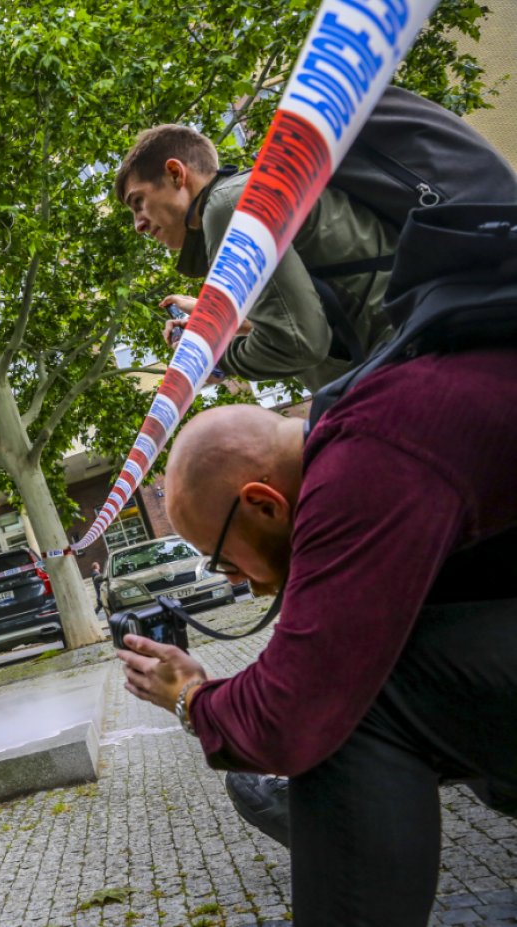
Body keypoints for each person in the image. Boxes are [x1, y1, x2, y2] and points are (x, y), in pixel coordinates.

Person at [116, 347, 517, 927]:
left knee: (351, 705)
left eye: (224, 560)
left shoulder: (358, 467)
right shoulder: (372, 420)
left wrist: (191, 697)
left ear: (263, 503)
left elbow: (291, 709)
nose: (240, 583)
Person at [116, 124, 396, 391]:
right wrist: (225, 325)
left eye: (138, 202)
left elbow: (297, 343)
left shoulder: (225, 208)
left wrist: (211, 358)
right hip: (407, 347)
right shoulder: (245, 193)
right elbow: (308, 311)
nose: (138, 226)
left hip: (400, 364)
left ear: (176, 173)